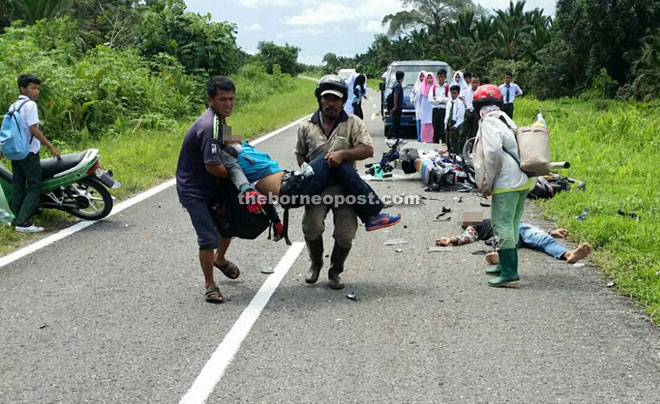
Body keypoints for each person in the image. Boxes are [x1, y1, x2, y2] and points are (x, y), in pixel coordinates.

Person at [296, 74, 397, 289]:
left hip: (345, 189)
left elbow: (368, 149)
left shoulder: (354, 123)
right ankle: (315, 262)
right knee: (311, 228)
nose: (331, 103)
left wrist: (342, 155)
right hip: (318, 188)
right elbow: (300, 154)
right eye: (327, 98)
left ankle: (335, 270)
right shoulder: (306, 126)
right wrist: (307, 173)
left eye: (336, 99)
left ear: (343, 101)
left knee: (345, 235)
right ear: (319, 100)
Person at [176, 76, 263, 304]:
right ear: (210, 100)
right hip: (194, 189)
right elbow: (213, 166)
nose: (228, 104)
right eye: (223, 99)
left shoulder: (221, 121)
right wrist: (241, 182)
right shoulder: (208, 127)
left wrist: (254, 164)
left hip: (212, 185)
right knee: (207, 238)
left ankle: (220, 259)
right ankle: (210, 285)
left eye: (232, 99)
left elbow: (236, 145)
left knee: (228, 224)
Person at [222, 139, 401, 232]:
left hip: (293, 181)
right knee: (332, 158)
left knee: (339, 168)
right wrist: (275, 219)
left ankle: (370, 217)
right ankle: (373, 210)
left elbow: (228, 130)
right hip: (289, 190)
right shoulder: (231, 159)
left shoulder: (244, 147)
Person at [473, 84, 535, 287]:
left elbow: (492, 154)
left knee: (501, 225)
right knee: (513, 223)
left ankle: (509, 274)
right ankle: (503, 265)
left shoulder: (489, 123)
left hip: (506, 181)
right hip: (522, 179)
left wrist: (486, 184)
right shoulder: (505, 119)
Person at [6, 74, 61, 233]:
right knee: (35, 185)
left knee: (18, 185)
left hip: (15, 151)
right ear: (23, 89)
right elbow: (33, 129)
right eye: (33, 88)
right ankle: (23, 223)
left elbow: (8, 130)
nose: (36, 92)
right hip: (28, 152)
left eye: (38, 88)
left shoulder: (14, 106)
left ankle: (17, 218)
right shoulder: (30, 105)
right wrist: (51, 146)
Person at [435, 219, 592, 265]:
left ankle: (499, 255)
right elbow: (467, 235)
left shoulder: (477, 225)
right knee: (544, 241)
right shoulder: (480, 223)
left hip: (514, 232)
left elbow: (467, 237)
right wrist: (451, 239)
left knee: (504, 241)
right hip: (520, 228)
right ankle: (567, 254)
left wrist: (451, 239)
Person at [429, 69, 450, 144]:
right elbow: (430, 99)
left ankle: (444, 144)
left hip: (443, 110)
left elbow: (449, 99)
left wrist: (440, 100)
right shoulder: (434, 87)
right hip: (435, 110)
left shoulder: (447, 88)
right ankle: (435, 144)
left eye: (442, 77)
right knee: (435, 128)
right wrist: (439, 101)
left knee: (443, 128)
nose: (441, 78)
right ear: (437, 77)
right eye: (439, 77)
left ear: (445, 77)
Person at [444, 85, 465, 154]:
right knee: (448, 142)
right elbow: (447, 113)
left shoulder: (460, 103)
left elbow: (461, 118)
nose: (453, 95)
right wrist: (445, 124)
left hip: (455, 124)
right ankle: (449, 153)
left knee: (454, 142)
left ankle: (455, 155)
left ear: (458, 93)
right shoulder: (449, 102)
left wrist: (455, 126)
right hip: (448, 123)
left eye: (454, 93)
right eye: (451, 93)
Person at [459, 75, 480, 144]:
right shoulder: (466, 91)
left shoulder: (480, 91)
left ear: (479, 83)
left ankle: (471, 149)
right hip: (468, 111)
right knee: (464, 131)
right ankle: (460, 149)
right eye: (473, 82)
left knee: (474, 131)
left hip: (476, 112)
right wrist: (464, 104)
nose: (475, 84)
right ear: (471, 82)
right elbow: (460, 97)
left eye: (476, 83)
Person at [418, 72, 436, 143]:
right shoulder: (422, 87)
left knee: (431, 121)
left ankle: (431, 138)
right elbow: (419, 98)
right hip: (424, 106)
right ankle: (424, 138)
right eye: (427, 78)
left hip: (432, 106)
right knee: (425, 122)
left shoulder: (435, 87)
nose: (429, 79)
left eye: (430, 78)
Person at [387, 70, 404, 139]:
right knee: (395, 122)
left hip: (397, 106)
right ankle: (389, 135)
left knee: (397, 122)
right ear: (402, 77)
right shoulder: (398, 85)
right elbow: (395, 95)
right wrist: (395, 106)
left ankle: (397, 136)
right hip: (397, 106)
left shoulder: (395, 84)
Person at [410, 71, 426, 141]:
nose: (422, 78)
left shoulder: (428, 85)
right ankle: (419, 138)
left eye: (423, 76)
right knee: (419, 123)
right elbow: (412, 94)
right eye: (420, 76)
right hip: (418, 107)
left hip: (426, 109)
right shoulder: (416, 85)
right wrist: (413, 100)